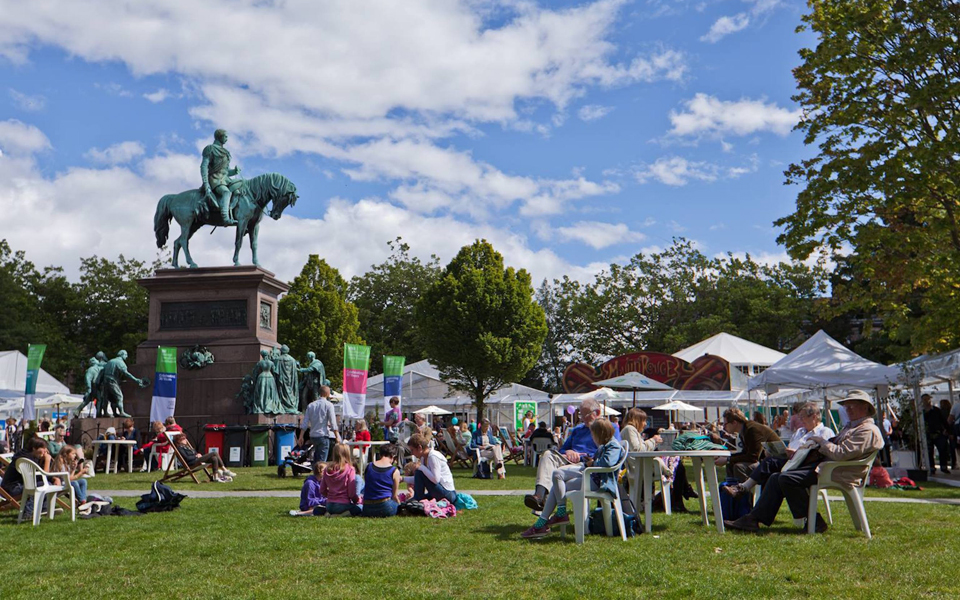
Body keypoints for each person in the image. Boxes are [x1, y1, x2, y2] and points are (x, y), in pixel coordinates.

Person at [725, 390, 884, 534]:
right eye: (846, 407)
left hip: (837, 471)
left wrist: (821, 442)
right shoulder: (853, 427)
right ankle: (753, 519)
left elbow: (842, 454)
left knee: (784, 478)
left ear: (865, 408)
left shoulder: (867, 430)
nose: (848, 410)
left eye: (852, 407)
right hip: (827, 467)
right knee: (775, 476)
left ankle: (815, 520)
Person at [520, 418, 625, 539]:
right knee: (557, 480)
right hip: (591, 477)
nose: (592, 438)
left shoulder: (613, 446)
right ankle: (544, 522)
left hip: (599, 483)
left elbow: (607, 463)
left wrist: (592, 463)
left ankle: (554, 517)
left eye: (593, 435)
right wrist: (588, 461)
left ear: (599, 434)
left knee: (557, 476)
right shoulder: (604, 446)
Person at [524, 399, 620, 512]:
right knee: (548, 454)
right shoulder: (578, 429)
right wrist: (569, 451)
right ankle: (539, 495)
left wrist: (583, 456)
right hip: (569, 460)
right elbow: (563, 449)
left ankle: (549, 512)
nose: (582, 418)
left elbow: (610, 453)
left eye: (586, 415)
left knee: (557, 474)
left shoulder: (609, 427)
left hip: (587, 464)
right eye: (581, 415)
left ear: (597, 412)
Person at [722, 402, 835, 498]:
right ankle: (743, 501)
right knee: (769, 464)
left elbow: (824, 454)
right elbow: (790, 447)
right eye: (799, 417)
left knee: (766, 465)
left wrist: (797, 453)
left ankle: (743, 492)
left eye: (803, 417)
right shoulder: (800, 431)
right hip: (789, 462)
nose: (800, 420)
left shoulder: (825, 432)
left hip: (805, 467)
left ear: (814, 417)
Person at [712, 407, 780, 482]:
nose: (724, 427)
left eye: (725, 424)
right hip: (764, 461)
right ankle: (731, 487)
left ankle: (741, 491)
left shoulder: (752, 429)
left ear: (734, 423)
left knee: (739, 467)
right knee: (730, 464)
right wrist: (727, 457)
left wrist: (728, 459)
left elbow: (753, 457)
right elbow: (745, 453)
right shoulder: (744, 430)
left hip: (774, 463)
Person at [200, 128, 241, 225]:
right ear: (220, 136)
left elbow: (225, 171)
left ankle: (230, 210)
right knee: (226, 192)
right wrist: (206, 183)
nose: (227, 139)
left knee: (238, 192)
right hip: (215, 179)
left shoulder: (225, 152)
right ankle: (225, 218)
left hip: (225, 179)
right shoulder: (210, 148)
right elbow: (204, 166)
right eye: (225, 136)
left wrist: (234, 171)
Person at [405, 433, 456, 503]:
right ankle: (418, 498)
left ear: (419, 447)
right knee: (419, 473)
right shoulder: (424, 458)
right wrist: (403, 479)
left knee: (419, 472)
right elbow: (419, 479)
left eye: (412, 450)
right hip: (440, 491)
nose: (412, 453)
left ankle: (417, 499)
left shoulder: (433, 456)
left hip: (448, 493)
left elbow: (436, 479)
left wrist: (421, 467)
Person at [1, 437, 51, 502]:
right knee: (42, 485)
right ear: (34, 448)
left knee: (47, 484)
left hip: (17, 486)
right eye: (43, 448)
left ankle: (43, 509)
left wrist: (54, 479)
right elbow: (41, 477)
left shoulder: (31, 457)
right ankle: (28, 511)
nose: (46, 451)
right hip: (12, 489)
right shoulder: (25, 460)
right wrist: (47, 461)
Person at [300, 385, 340, 462]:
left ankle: (316, 471)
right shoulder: (329, 405)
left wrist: (301, 436)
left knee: (316, 457)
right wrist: (337, 436)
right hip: (323, 435)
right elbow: (333, 422)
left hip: (313, 435)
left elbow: (305, 422)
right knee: (322, 460)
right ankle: (320, 473)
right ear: (328, 393)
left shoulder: (311, 405)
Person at [319, 443, 361, 516]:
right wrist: (357, 500)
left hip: (329, 505)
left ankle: (328, 513)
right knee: (360, 508)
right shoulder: (350, 469)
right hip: (343, 504)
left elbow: (322, 490)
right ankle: (341, 515)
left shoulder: (327, 469)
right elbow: (351, 493)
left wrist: (330, 496)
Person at [362, 443, 402, 517]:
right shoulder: (394, 471)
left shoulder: (369, 467)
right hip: (385, 507)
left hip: (367, 508)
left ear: (380, 455)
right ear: (392, 456)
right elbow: (394, 496)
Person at [923, 394, 951, 475]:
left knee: (942, 449)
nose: (926, 401)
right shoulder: (921, 411)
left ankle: (943, 467)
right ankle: (931, 467)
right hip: (927, 434)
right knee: (929, 451)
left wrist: (947, 430)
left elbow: (943, 420)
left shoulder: (936, 410)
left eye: (927, 399)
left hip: (938, 433)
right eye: (924, 399)